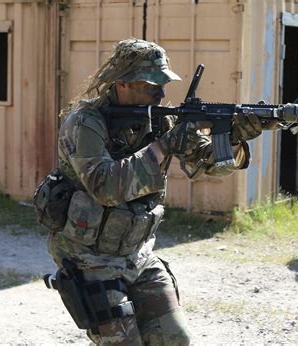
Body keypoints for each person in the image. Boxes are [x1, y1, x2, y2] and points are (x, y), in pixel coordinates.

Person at [46, 38, 262, 345]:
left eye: (163, 85)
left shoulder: (158, 118)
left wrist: (235, 139)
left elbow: (205, 166)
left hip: (138, 253)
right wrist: (164, 145)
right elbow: (104, 187)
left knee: (176, 339)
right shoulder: (84, 123)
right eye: (152, 86)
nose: (161, 94)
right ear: (122, 83)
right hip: (90, 258)